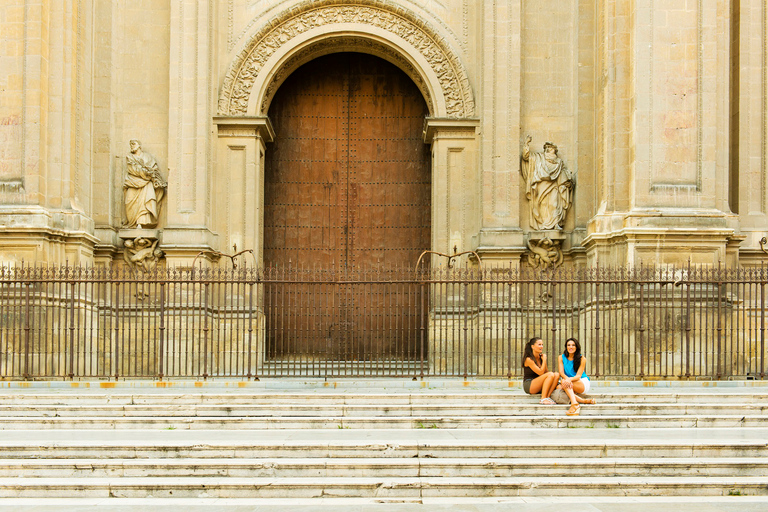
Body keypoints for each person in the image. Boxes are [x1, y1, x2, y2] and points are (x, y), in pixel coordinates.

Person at [520, 135, 574, 230]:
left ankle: (555, 224)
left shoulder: (559, 162)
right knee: (543, 205)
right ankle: (543, 224)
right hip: (541, 186)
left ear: (555, 150)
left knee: (554, 204)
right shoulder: (539, 157)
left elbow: (565, 174)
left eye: (551, 147)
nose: (549, 149)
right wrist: (526, 144)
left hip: (554, 186)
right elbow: (526, 157)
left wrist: (568, 181)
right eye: (547, 147)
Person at [124, 140, 167, 228]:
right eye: (130, 144)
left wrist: (150, 174)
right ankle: (133, 222)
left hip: (146, 184)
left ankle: (141, 222)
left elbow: (154, 169)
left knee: (145, 202)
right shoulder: (129, 157)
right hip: (133, 182)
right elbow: (132, 169)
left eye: (133, 144)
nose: (131, 146)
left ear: (139, 145)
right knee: (129, 200)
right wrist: (145, 172)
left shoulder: (148, 157)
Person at [557, 337, 596, 416]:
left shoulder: (582, 358)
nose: (571, 347)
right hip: (569, 382)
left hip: (581, 382)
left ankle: (574, 404)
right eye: (569, 345)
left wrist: (568, 380)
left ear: (576, 347)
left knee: (563, 383)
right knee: (559, 387)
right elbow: (561, 372)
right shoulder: (561, 357)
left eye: (573, 345)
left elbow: (578, 376)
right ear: (566, 347)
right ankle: (583, 401)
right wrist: (567, 380)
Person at [522, 337, 560, 404]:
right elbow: (540, 372)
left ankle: (547, 397)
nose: (541, 346)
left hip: (539, 383)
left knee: (556, 375)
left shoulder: (541, 358)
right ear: (533, 346)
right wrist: (545, 359)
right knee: (551, 374)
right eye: (539, 344)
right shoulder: (529, 359)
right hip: (530, 385)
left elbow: (546, 372)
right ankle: (543, 398)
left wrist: (543, 360)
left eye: (542, 345)